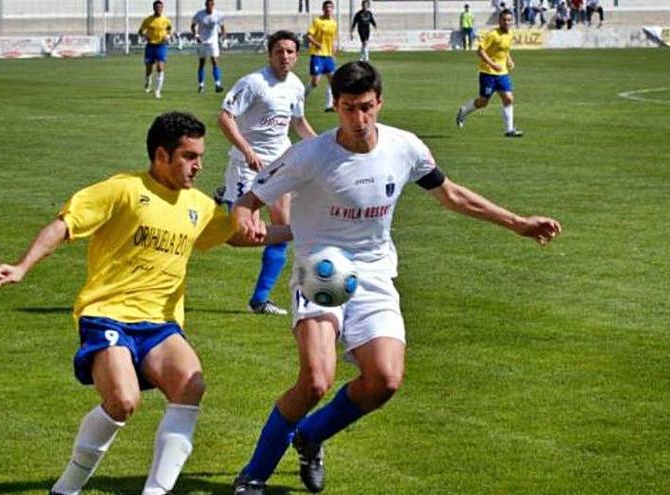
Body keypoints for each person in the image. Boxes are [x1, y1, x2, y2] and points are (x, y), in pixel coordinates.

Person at [229, 61, 561, 495]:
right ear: (337, 105)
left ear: (380, 102)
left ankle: (311, 436)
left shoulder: (406, 148)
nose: (359, 119)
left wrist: (517, 222)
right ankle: (253, 476)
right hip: (320, 270)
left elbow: (453, 196)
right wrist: (246, 218)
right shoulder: (309, 156)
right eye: (348, 108)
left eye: (367, 107)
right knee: (315, 380)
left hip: (375, 272)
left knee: (385, 380)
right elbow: (247, 200)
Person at [0, 112, 292, 495]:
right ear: (161, 155)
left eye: (200, 155)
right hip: (107, 314)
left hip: (160, 325)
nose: (198, 165)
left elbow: (236, 235)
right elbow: (64, 225)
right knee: (122, 401)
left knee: (191, 385)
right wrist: (22, 266)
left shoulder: (197, 205)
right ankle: (66, 489)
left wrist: (303, 230)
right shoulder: (123, 190)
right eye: (188, 156)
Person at [217, 30, 317, 315]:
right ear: (269, 54)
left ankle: (260, 300)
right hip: (247, 166)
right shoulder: (254, 83)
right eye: (279, 51)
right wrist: (248, 150)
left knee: (282, 229)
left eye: (290, 52)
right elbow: (225, 118)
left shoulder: (297, 86)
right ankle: (227, 197)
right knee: (244, 233)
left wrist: (325, 148)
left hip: (281, 166)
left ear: (297, 56)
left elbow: (298, 124)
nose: (285, 56)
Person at [455, 9, 524, 138]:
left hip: (502, 73)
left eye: (509, 20)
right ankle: (463, 111)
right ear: (499, 21)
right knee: (483, 102)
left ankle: (509, 130)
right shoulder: (492, 34)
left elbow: (504, 50)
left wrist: (509, 60)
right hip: (488, 73)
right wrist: (492, 64)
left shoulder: (509, 34)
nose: (507, 22)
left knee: (508, 98)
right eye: (504, 20)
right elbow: (480, 51)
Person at [306, 0, 338, 112]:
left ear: (332, 9)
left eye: (330, 7)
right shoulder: (317, 21)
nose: (328, 9)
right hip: (317, 54)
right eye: (326, 7)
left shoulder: (334, 23)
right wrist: (316, 43)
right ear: (323, 9)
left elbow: (333, 39)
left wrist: (334, 50)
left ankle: (329, 105)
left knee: (333, 81)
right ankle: (301, 99)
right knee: (315, 82)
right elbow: (309, 36)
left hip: (328, 56)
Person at [138, 0, 172, 99]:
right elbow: (140, 31)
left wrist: (168, 36)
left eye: (160, 7)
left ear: (163, 8)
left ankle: (157, 91)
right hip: (150, 46)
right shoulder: (148, 20)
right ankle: (148, 82)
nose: (159, 9)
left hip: (161, 46)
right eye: (157, 7)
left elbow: (169, 29)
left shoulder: (166, 20)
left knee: (160, 67)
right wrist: (145, 36)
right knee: (149, 68)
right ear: (154, 8)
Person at [191, 0, 226, 93]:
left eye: (211, 4)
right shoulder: (199, 14)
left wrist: (223, 37)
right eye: (207, 4)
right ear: (205, 5)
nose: (209, 6)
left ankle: (218, 84)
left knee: (215, 61)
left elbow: (222, 27)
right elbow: (193, 25)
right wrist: (196, 35)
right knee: (202, 63)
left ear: (213, 5)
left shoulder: (218, 14)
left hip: (213, 41)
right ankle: (201, 85)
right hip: (202, 41)